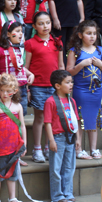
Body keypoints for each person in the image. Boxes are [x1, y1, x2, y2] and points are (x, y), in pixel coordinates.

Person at [67, 20, 102, 160]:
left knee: (94, 119)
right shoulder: (74, 51)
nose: (92, 36)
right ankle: (79, 149)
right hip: (81, 91)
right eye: (88, 33)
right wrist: (81, 65)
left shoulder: (100, 51)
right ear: (80, 35)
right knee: (80, 119)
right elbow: (69, 71)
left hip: (96, 92)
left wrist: (100, 64)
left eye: (94, 33)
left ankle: (93, 148)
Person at [24, 12, 64, 163]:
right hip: (38, 86)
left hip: (55, 86)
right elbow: (26, 67)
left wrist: (64, 85)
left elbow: (60, 66)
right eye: (40, 23)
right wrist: (27, 88)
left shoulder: (57, 42)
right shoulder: (30, 43)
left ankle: (48, 147)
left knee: (52, 117)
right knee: (40, 117)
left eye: (47, 22)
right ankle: (37, 149)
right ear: (34, 26)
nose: (45, 26)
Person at [0, 74, 27, 202]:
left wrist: (24, 143)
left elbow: (22, 125)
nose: (5, 93)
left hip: (14, 146)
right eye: (2, 90)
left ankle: (12, 198)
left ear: (15, 90)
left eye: (8, 90)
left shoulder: (18, 106)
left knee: (13, 173)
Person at [0, 20, 34, 117]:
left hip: (21, 89)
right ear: (8, 34)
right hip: (6, 89)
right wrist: (2, 78)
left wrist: (30, 74)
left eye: (22, 31)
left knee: (20, 119)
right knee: (5, 118)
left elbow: (20, 68)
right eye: (18, 31)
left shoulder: (20, 49)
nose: (21, 34)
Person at [44, 70, 79, 202]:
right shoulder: (51, 101)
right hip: (57, 138)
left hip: (70, 137)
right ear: (57, 85)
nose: (71, 85)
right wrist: (51, 140)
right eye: (68, 82)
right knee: (56, 168)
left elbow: (76, 120)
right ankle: (57, 195)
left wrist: (78, 140)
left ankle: (68, 193)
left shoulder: (72, 101)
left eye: (72, 82)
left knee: (69, 167)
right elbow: (47, 123)